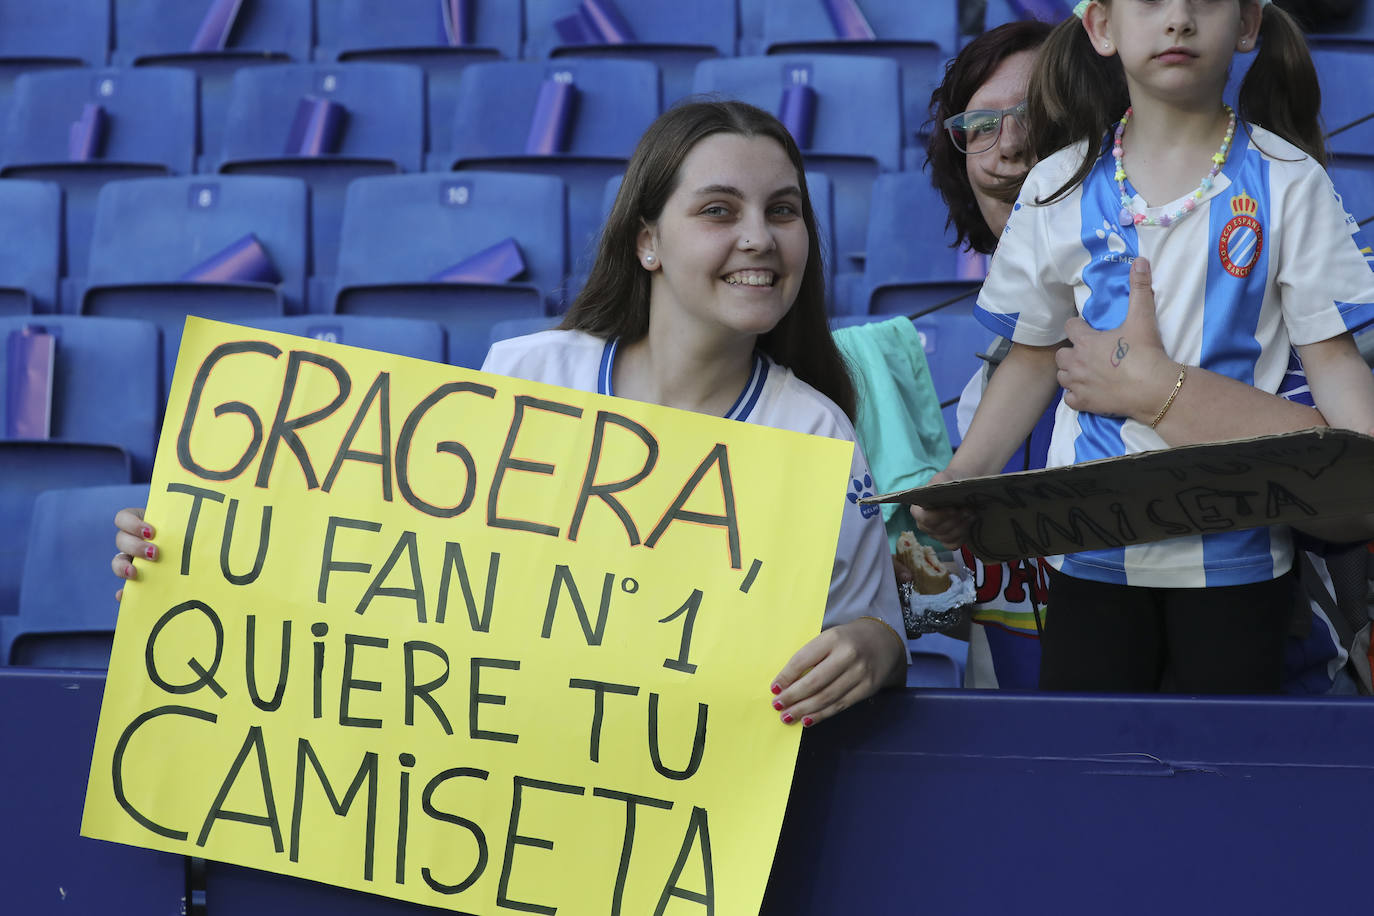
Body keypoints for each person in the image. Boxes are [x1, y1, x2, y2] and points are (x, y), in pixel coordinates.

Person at [113, 99, 909, 727]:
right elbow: (390, 573)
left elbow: (875, 628)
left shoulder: (817, 434)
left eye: (783, 210)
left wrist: (872, 651)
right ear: (647, 243)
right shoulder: (528, 374)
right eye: (718, 211)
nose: (759, 239)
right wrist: (194, 558)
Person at [917, 0, 1374, 694]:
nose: (1179, 18)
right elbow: (1034, 356)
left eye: (1206, 1)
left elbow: (1334, 360)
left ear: (1248, 25)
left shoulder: (1290, 182)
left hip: (1239, 553)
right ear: (1102, 27)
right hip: (1089, 551)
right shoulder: (1056, 185)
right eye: (1151, 1)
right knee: (1094, 775)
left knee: (1217, 772)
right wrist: (962, 475)